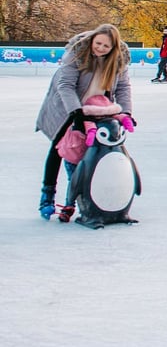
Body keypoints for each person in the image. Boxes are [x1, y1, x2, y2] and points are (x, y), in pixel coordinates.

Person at [34, 25, 132, 221]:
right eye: (98, 43)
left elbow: (123, 87)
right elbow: (65, 85)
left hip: (97, 108)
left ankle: (85, 199)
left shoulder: (118, 60)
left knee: (91, 152)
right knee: (59, 149)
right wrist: (75, 112)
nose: (101, 48)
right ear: (92, 40)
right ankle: (47, 196)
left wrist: (126, 111)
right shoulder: (78, 53)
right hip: (66, 107)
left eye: (106, 46)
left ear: (113, 47)